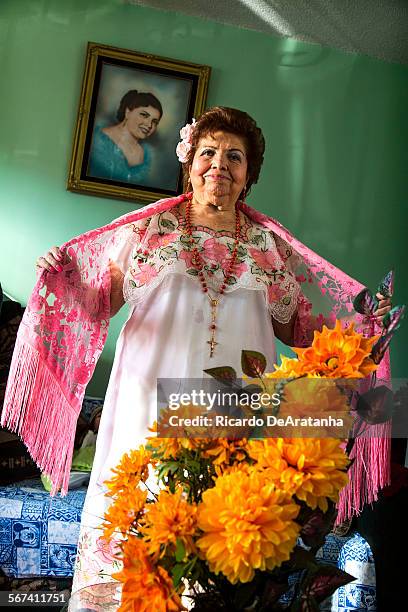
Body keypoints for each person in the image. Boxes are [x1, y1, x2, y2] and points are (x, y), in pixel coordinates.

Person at [3, 107, 392, 610]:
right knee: (141, 541)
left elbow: (296, 327)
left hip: (233, 414)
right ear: (188, 163)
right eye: (208, 152)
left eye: (235, 156)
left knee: (220, 545)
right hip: (145, 405)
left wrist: (362, 328)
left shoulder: (269, 246)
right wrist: (62, 277)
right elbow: (101, 302)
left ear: (249, 174)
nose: (220, 165)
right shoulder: (148, 229)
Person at [88, 90, 163, 184]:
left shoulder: (146, 154)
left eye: (154, 122)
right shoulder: (97, 139)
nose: (149, 125)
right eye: (144, 115)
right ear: (128, 112)